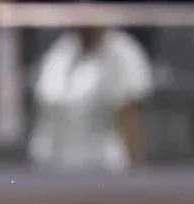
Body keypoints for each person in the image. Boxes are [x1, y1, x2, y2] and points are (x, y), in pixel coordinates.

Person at [28, 23, 152, 173]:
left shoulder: (125, 54)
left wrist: (137, 177)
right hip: (53, 169)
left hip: (105, 173)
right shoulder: (60, 52)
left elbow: (131, 122)